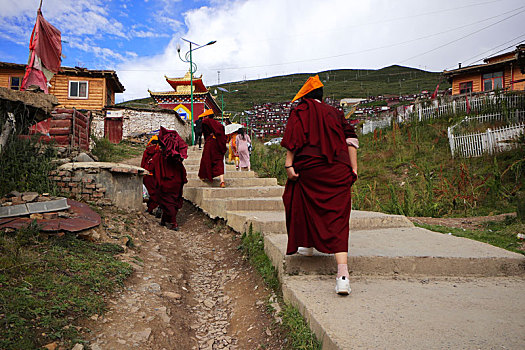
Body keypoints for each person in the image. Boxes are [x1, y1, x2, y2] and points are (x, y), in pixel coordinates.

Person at [281, 75, 358, 295]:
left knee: (296, 194)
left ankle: (305, 245)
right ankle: (342, 275)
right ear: (321, 97)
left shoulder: (300, 110)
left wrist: (289, 165)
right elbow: (350, 139)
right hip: (339, 169)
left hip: (311, 169)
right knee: (338, 218)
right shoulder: (335, 113)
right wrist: (354, 168)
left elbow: (293, 138)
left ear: (305, 97)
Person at [153, 126, 188, 231]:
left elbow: (155, 173)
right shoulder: (177, 159)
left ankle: (174, 223)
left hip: (166, 184)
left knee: (167, 203)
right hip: (176, 184)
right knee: (172, 203)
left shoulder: (159, 157)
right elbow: (183, 174)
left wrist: (157, 184)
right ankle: (164, 220)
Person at [198, 109, 228, 187]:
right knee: (219, 161)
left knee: (207, 159)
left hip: (210, 144)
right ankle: (222, 181)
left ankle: (204, 176)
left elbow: (204, 131)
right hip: (218, 144)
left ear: (207, 116)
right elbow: (222, 135)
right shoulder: (219, 124)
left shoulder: (206, 122)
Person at [141, 135, 161, 215]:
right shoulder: (158, 152)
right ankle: (155, 208)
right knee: (155, 192)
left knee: (150, 193)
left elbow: (143, 163)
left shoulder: (147, 151)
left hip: (146, 175)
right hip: (155, 176)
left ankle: (150, 209)